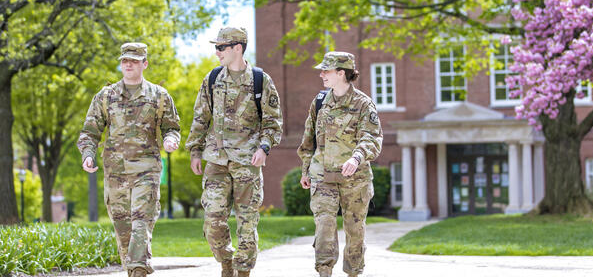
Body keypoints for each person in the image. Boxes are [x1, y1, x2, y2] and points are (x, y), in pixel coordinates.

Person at [186, 27, 283, 277]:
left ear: (237, 48)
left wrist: (264, 148)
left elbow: (273, 123)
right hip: (216, 162)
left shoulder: (262, 81)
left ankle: (242, 272)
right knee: (212, 221)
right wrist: (195, 151)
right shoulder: (212, 79)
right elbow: (200, 118)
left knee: (247, 225)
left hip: (247, 163)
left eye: (221, 47)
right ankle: (226, 262)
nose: (216, 52)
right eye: (216, 47)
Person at [77, 42, 180, 277]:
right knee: (123, 231)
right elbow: (90, 132)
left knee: (141, 223)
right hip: (116, 173)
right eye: (125, 60)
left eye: (134, 60)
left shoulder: (159, 96)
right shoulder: (105, 96)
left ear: (145, 63)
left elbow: (171, 127)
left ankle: (137, 271)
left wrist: (170, 140)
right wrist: (88, 154)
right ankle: (133, 270)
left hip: (147, 170)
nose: (128, 64)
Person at [297, 51, 383, 277]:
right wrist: (306, 169)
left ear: (341, 73)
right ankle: (324, 272)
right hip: (323, 177)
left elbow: (372, 138)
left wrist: (356, 158)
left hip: (355, 180)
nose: (321, 74)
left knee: (355, 231)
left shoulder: (364, 104)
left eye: (326, 70)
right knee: (324, 227)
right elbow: (308, 141)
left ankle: (354, 272)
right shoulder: (319, 102)